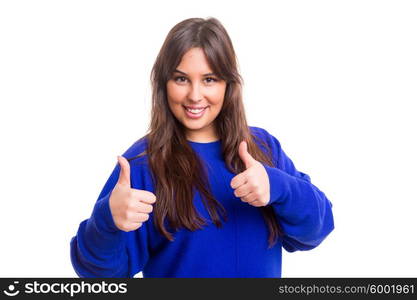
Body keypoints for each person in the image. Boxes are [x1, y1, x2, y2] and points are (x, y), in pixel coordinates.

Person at [69, 17, 334, 278]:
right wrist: (107, 221)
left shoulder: (261, 148)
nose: (195, 95)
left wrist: (278, 187)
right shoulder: (142, 164)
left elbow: (317, 230)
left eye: (209, 79)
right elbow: (99, 277)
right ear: (164, 84)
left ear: (228, 85)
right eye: (181, 79)